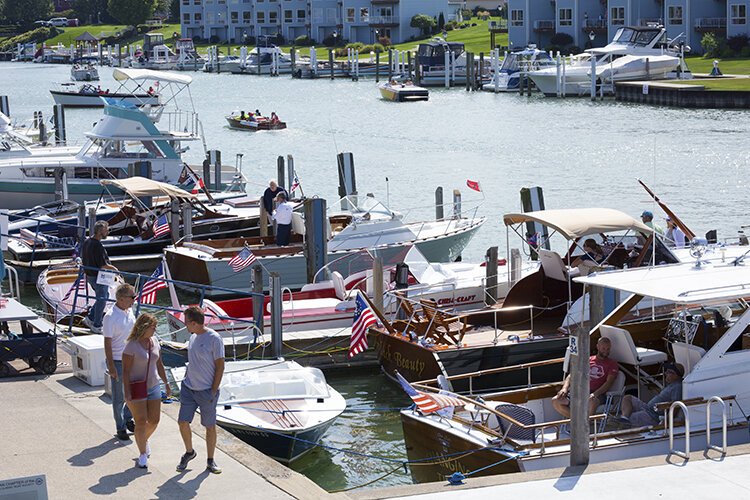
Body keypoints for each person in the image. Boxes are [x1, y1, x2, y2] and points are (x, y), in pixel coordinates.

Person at [177, 306, 225, 474]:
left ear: (194, 323)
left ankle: (210, 460)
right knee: (182, 422)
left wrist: (213, 390)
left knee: (209, 426)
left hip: (206, 391)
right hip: (189, 388)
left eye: (186, 322)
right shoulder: (193, 337)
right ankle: (189, 452)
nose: (185, 325)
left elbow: (220, 366)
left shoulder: (214, 338)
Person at [122, 313, 171, 469]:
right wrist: (127, 392)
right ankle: (142, 454)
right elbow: (125, 371)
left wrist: (167, 383)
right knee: (141, 421)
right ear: (144, 327)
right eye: (153, 327)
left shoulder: (155, 341)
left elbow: (160, 364)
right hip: (136, 386)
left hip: (153, 385)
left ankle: (143, 439)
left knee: (154, 420)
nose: (155, 329)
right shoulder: (131, 345)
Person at [552, 337, 619, 418]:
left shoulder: (612, 364)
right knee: (556, 400)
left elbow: (609, 383)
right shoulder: (588, 360)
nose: (606, 351)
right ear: (598, 347)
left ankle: (584, 425)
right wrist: (564, 388)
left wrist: (595, 394)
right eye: (603, 348)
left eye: (608, 349)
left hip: (596, 394)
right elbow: (571, 375)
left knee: (591, 401)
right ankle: (578, 421)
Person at [104, 283, 137, 441]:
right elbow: (107, 343)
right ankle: (120, 427)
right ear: (122, 299)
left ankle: (127, 417)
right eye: (132, 297)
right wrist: (111, 365)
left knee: (135, 393)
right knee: (119, 397)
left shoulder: (129, 311)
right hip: (117, 361)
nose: (134, 300)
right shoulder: (110, 317)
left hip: (132, 359)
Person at [617, 362, 684, 427]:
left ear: (676, 375)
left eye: (669, 372)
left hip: (653, 416)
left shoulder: (677, 387)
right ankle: (624, 417)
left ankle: (624, 421)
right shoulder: (671, 385)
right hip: (648, 409)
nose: (666, 373)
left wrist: (665, 421)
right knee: (627, 398)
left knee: (628, 419)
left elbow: (675, 406)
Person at [81, 220, 118, 334]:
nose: (108, 232)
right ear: (101, 231)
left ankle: (90, 318)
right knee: (102, 298)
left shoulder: (87, 242)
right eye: (107, 230)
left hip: (90, 275)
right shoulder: (97, 245)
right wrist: (115, 270)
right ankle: (97, 325)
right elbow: (103, 265)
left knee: (104, 296)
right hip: (99, 276)